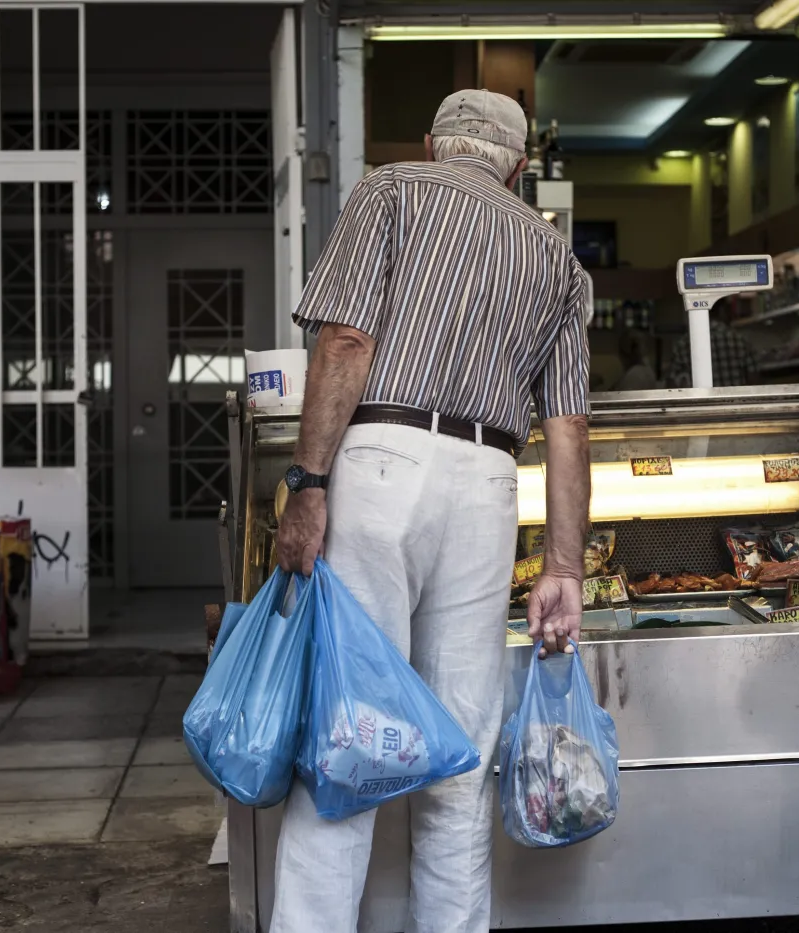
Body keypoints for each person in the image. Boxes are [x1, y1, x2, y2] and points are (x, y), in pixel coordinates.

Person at [272, 89, 592, 933]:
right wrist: (563, 567)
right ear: (520, 169)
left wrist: (308, 486)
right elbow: (566, 428)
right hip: (490, 482)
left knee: (351, 741)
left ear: (433, 142)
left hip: (382, 464)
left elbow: (345, 342)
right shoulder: (557, 258)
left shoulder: (391, 189)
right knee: (458, 759)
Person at [667, 299, 758, 387]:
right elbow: (754, 380)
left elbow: (672, 384)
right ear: (722, 310)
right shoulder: (739, 340)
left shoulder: (684, 344)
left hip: (701, 402)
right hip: (737, 401)